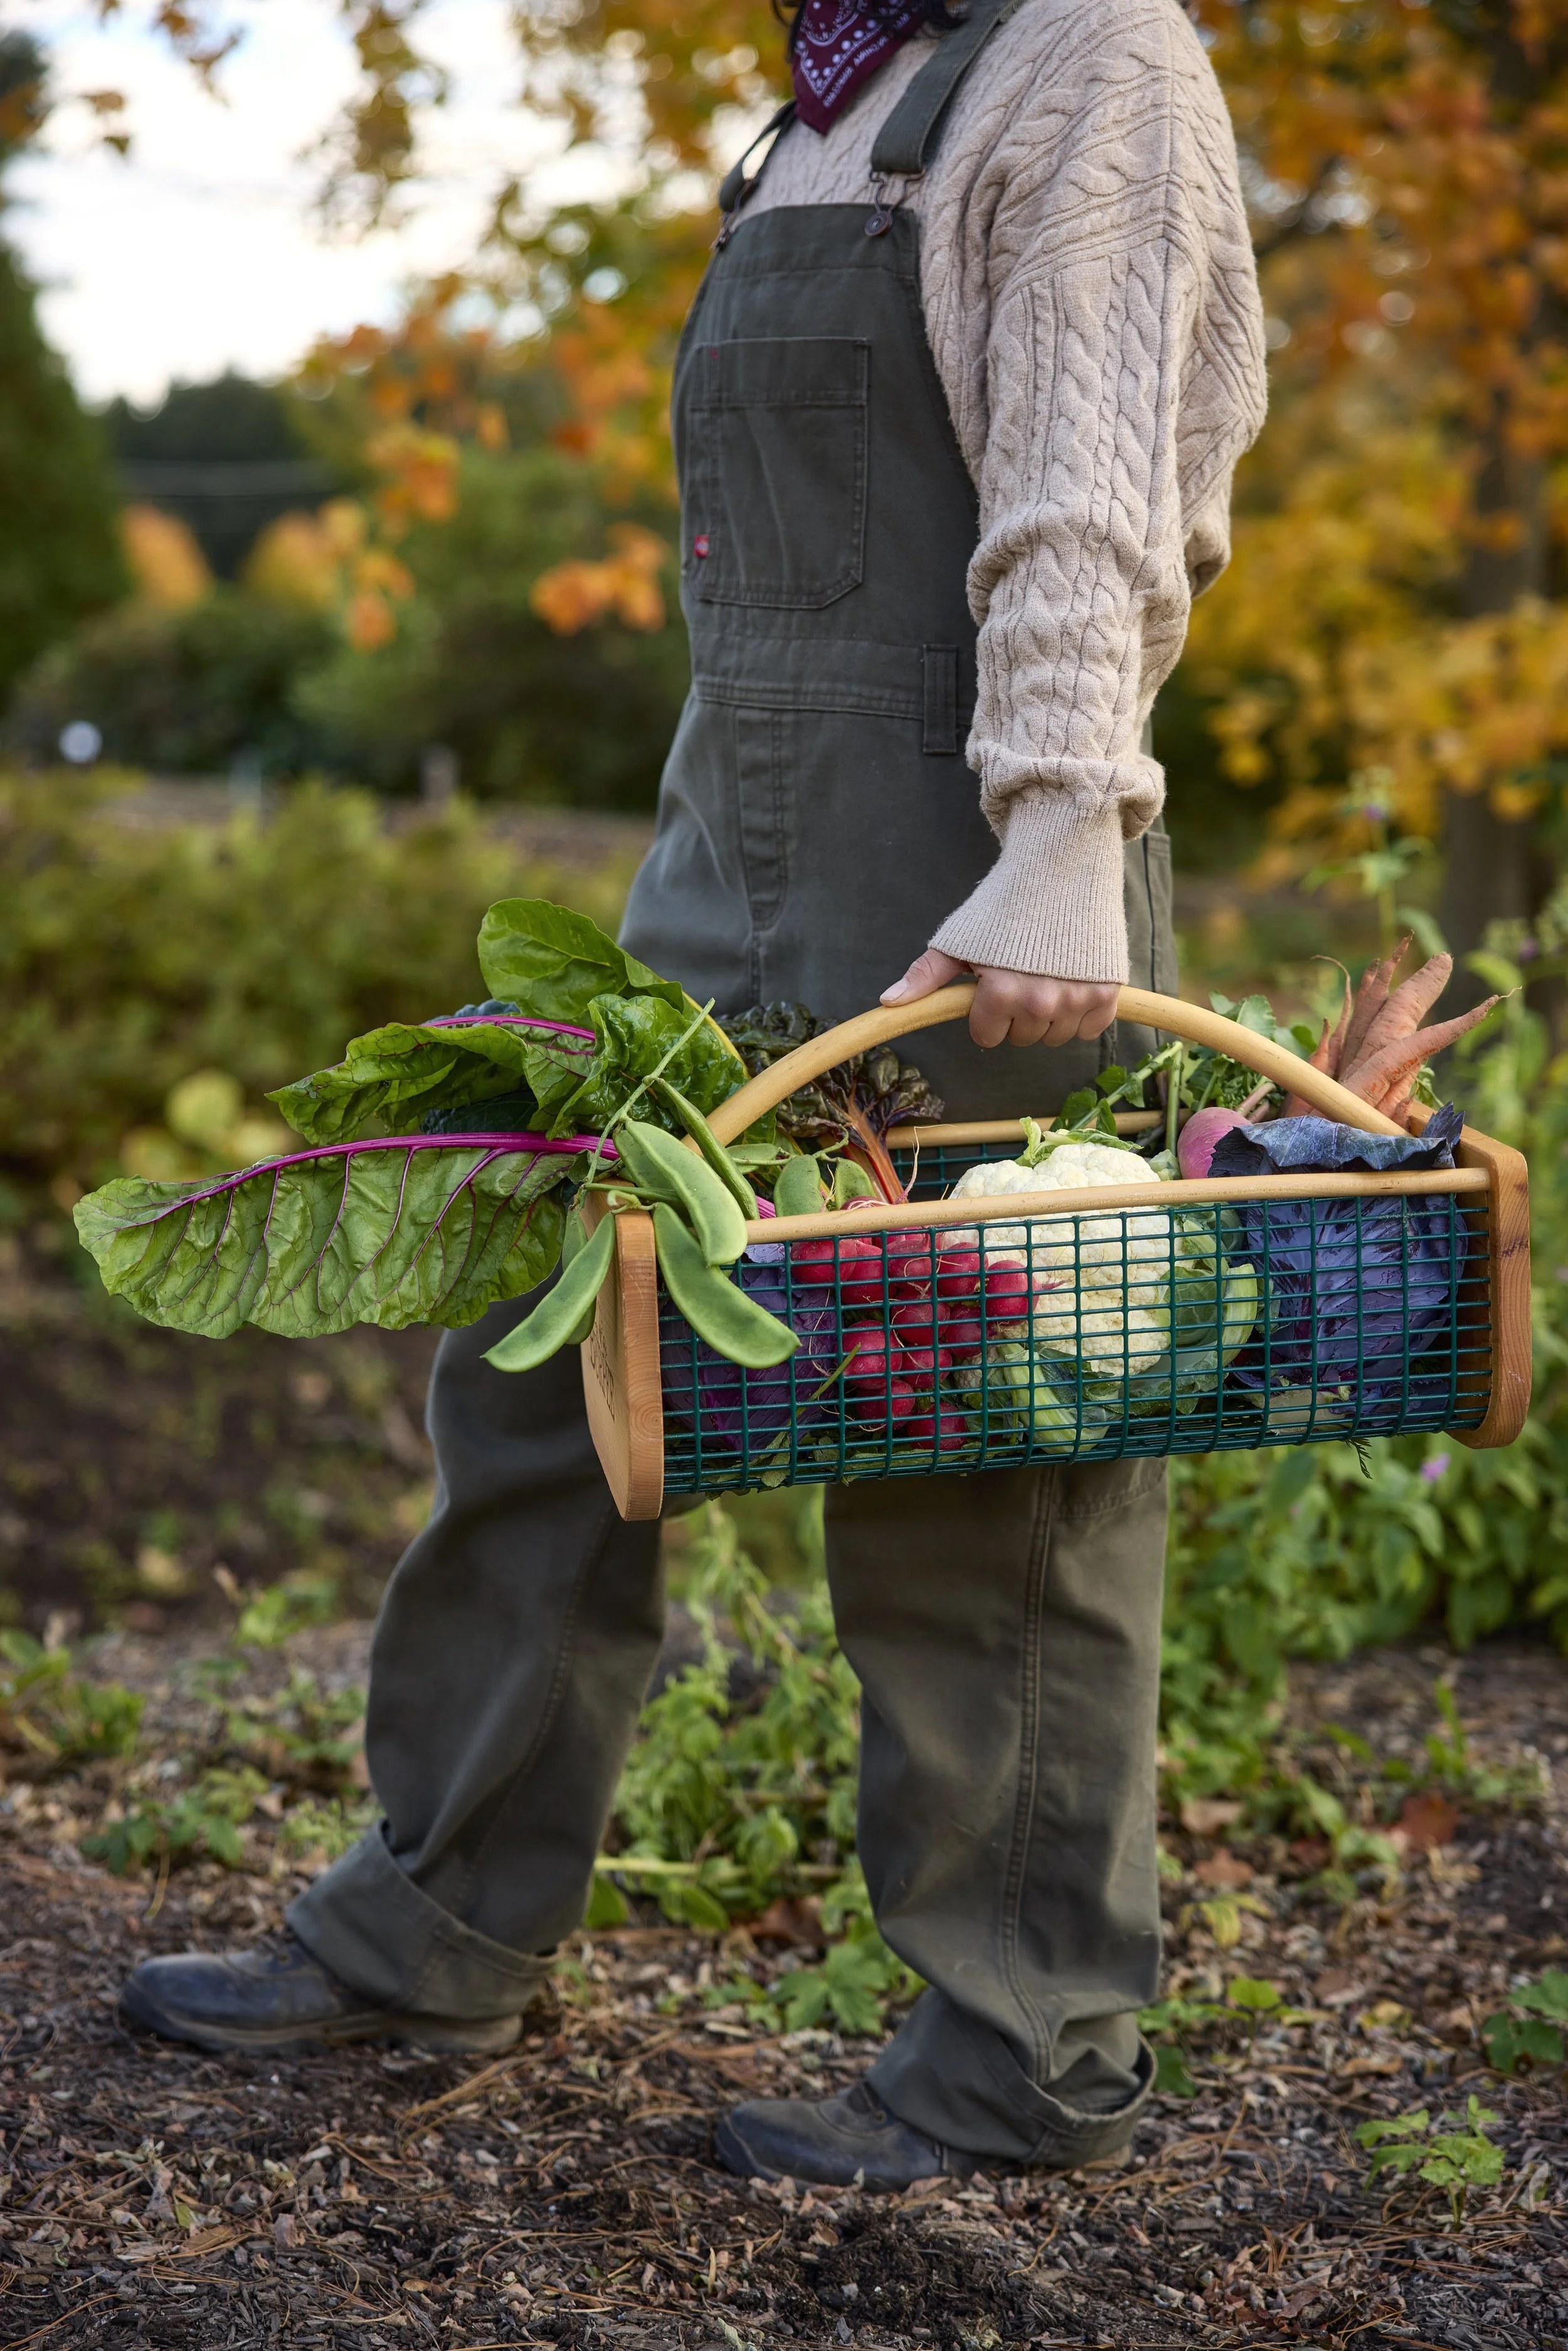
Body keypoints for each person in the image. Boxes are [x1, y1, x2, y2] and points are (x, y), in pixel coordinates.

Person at [121, 0, 1265, 2192]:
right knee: (547, 1366)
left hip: (968, 878)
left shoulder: (1090, 62)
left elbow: (1095, 494)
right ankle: (439, 1915)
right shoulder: (825, 111)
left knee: (980, 1445)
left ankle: (1028, 2038)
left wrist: (1050, 837)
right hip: (721, 852)